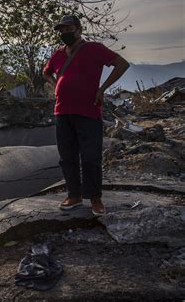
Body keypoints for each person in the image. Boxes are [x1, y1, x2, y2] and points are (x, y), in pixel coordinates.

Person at [43, 15, 129, 216]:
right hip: (62, 112)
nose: (65, 33)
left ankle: (95, 198)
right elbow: (46, 72)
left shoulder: (95, 49)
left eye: (68, 29)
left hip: (88, 111)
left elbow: (122, 64)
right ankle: (74, 195)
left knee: (90, 156)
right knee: (67, 157)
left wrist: (102, 89)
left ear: (79, 30)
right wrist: (55, 84)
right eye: (61, 30)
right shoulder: (58, 54)